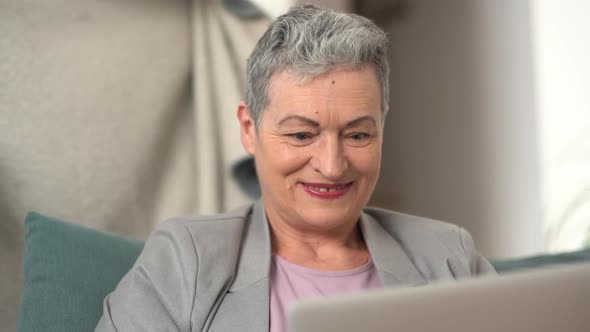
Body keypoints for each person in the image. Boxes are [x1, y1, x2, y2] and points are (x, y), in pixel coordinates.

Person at [96, 4, 495, 332]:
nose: (332, 166)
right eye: (302, 135)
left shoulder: (449, 258)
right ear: (249, 129)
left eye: (357, 135)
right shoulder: (186, 260)